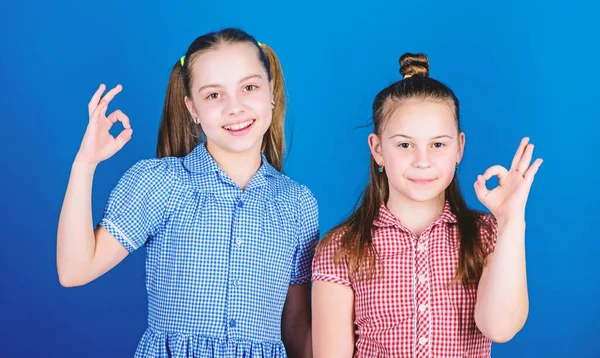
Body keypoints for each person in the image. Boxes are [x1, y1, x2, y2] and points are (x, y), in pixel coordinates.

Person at [57, 28, 318, 358]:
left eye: (249, 87)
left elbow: (295, 325)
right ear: (192, 108)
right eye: (213, 95)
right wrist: (85, 163)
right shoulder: (160, 183)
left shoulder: (297, 204)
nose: (234, 107)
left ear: (271, 93)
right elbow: (74, 270)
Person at [311, 53, 542, 357]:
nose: (422, 161)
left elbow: (500, 328)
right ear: (378, 149)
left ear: (459, 147)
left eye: (438, 144)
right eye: (405, 145)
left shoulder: (488, 235)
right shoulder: (341, 247)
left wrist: (511, 220)